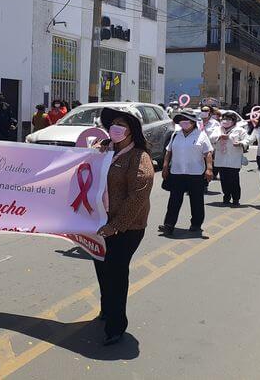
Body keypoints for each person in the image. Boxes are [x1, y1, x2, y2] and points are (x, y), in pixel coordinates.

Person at [93, 107, 154, 346]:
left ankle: (116, 325)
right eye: (113, 124)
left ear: (131, 131)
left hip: (127, 228)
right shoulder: (105, 151)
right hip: (100, 222)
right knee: (101, 267)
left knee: (116, 273)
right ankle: (106, 309)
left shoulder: (139, 157)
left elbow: (138, 197)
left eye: (122, 125)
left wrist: (116, 226)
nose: (115, 128)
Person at [159, 111, 213, 236]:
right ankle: (169, 224)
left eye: (186, 119)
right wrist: (165, 166)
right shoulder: (175, 135)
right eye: (181, 120)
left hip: (196, 173)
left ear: (193, 122)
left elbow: (208, 153)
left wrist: (209, 169)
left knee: (196, 201)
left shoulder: (201, 135)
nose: (183, 122)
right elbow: (169, 151)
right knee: (174, 200)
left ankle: (196, 224)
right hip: (177, 172)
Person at [209, 111, 249, 206]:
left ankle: (236, 198)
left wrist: (240, 143)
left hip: (234, 159)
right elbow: (211, 138)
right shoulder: (218, 129)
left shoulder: (239, 130)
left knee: (234, 180)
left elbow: (247, 140)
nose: (226, 121)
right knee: (224, 179)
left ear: (234, 121)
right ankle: (226, 195)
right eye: (224, 119)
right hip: (221, 159)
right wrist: (219, 137)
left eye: (229, 119)